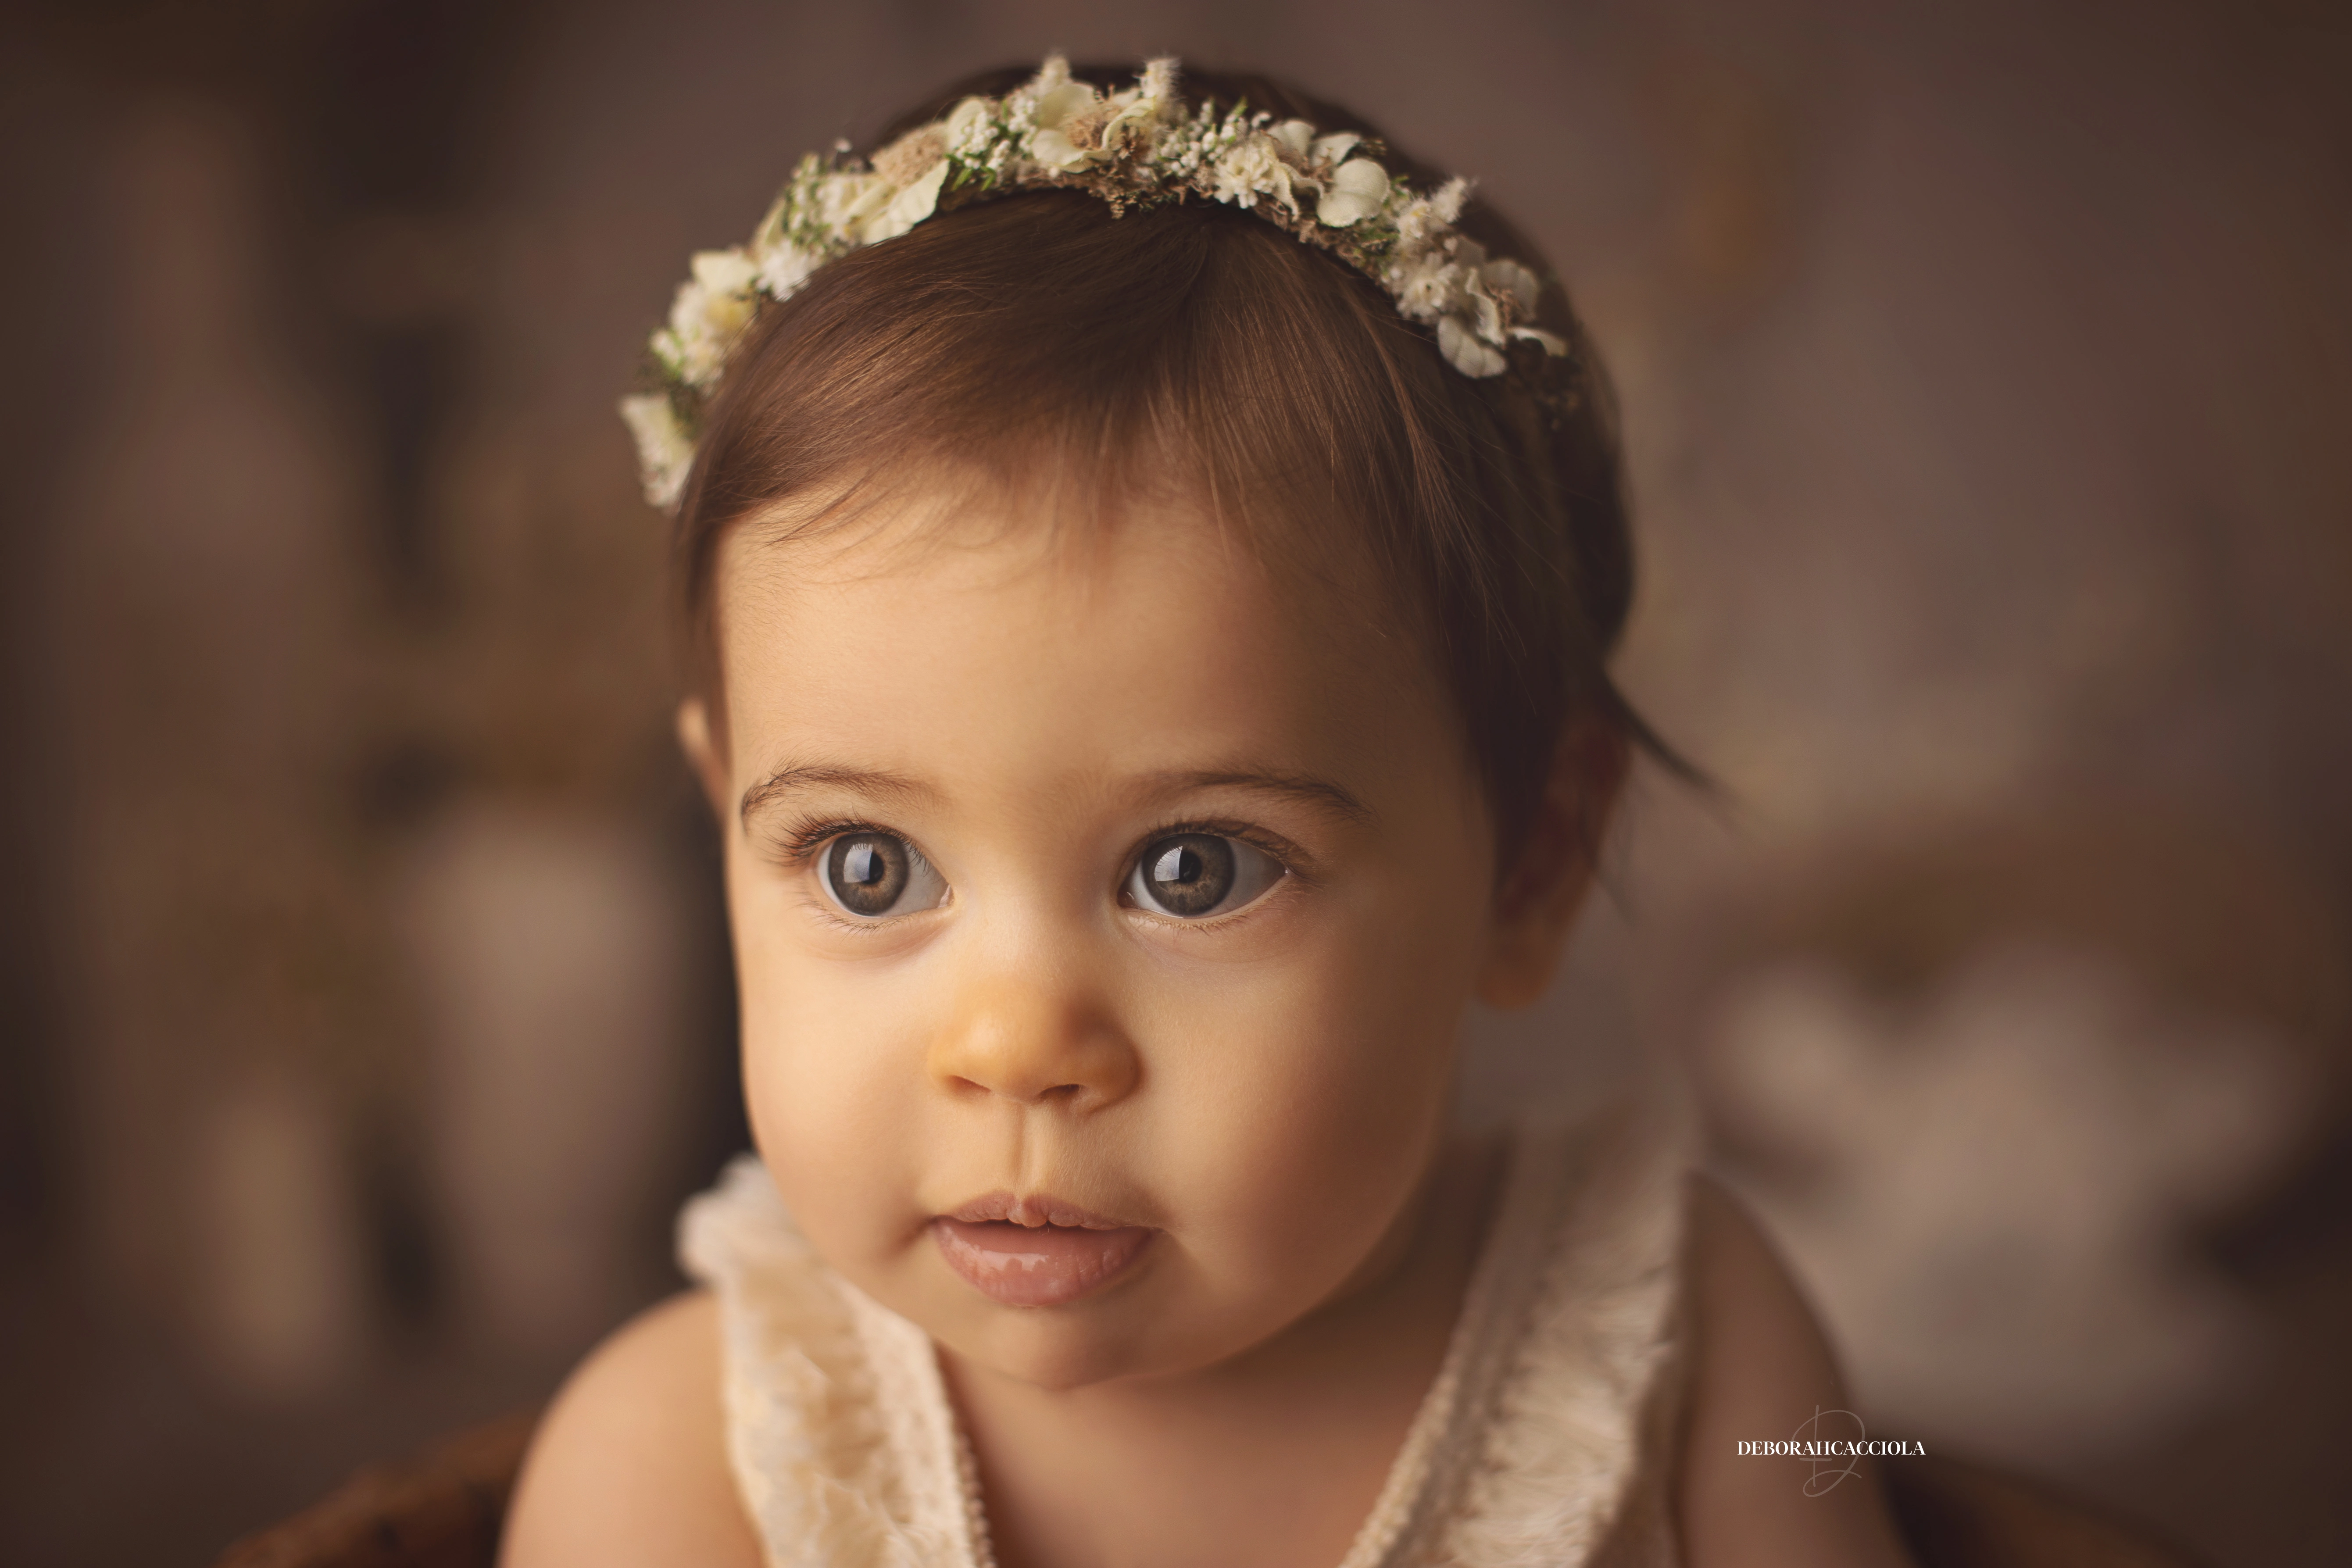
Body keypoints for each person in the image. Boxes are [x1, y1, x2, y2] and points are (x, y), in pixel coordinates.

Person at [502, 57, 1915, 1568]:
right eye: (867, 865)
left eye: (1194, 869)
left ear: (1535, 860)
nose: (1016, 1047)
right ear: (728, 830)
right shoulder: (683, 1461)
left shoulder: (1695, 1343)